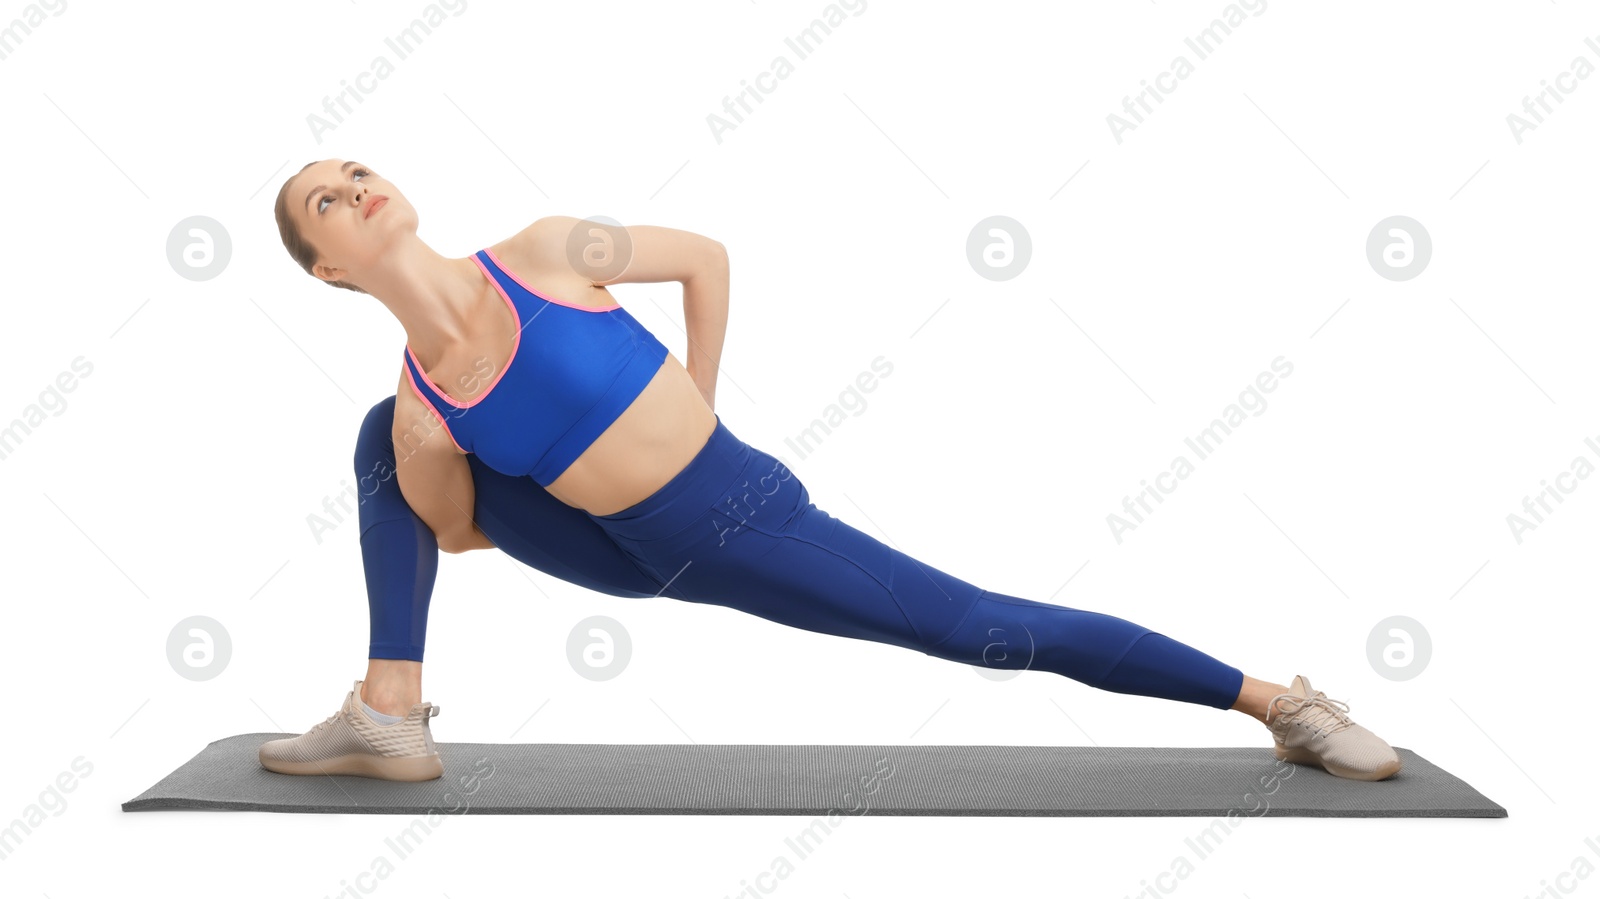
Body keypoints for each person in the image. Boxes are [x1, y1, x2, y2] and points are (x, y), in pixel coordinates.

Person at [257, 158, 1403, 784]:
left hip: (738, 516)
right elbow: (457, 534)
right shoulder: (424, 400)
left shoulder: (549, 250)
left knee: (971, 625)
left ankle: (1278, 702)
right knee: (375, 431)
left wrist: (697, 394)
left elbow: (703, 260)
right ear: (326, 269)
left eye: (357, 169)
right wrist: (426, 451)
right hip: (612, 547)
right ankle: (388, 712)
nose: (355, 184)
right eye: (326, 199)